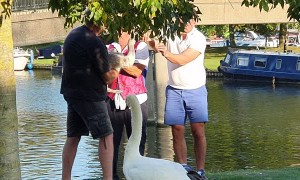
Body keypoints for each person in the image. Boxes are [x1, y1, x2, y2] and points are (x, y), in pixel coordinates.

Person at [60, 18, 119, 180]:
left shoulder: (73, 34)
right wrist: (117, 70)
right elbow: (107, 77)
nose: (106, 26)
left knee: (73, 136)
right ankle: (108, 178)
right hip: (90, 96)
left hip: (71, 93)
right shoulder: (94, 41)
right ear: (98, 23)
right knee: (106, 135)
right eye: (105, 22)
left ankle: (65, 178)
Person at [154, 19, 208, 179]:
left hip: (195, 89)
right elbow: (154, 42)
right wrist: (153, 43)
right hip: (174, 89)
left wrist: (166, 53)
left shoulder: (198, 38)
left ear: (195, 21)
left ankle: (200, 170)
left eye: (190, 19)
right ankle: (183, 168)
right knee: (177, 129)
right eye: (182, 19)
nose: (186, 22)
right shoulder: (169, 32)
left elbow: (183, 59)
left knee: (197, 130)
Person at [106, 31, 150, 180]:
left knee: (137, 141)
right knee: (111, 142)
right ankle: (111, 176)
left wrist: (115, 62)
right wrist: (125, 61)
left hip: (136, 102)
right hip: (114, 101)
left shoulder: (140, 46)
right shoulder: (110, 47)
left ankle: (138, 175)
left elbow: (137, 71)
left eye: (123, 29)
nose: (119, 32)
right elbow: (105, 70)